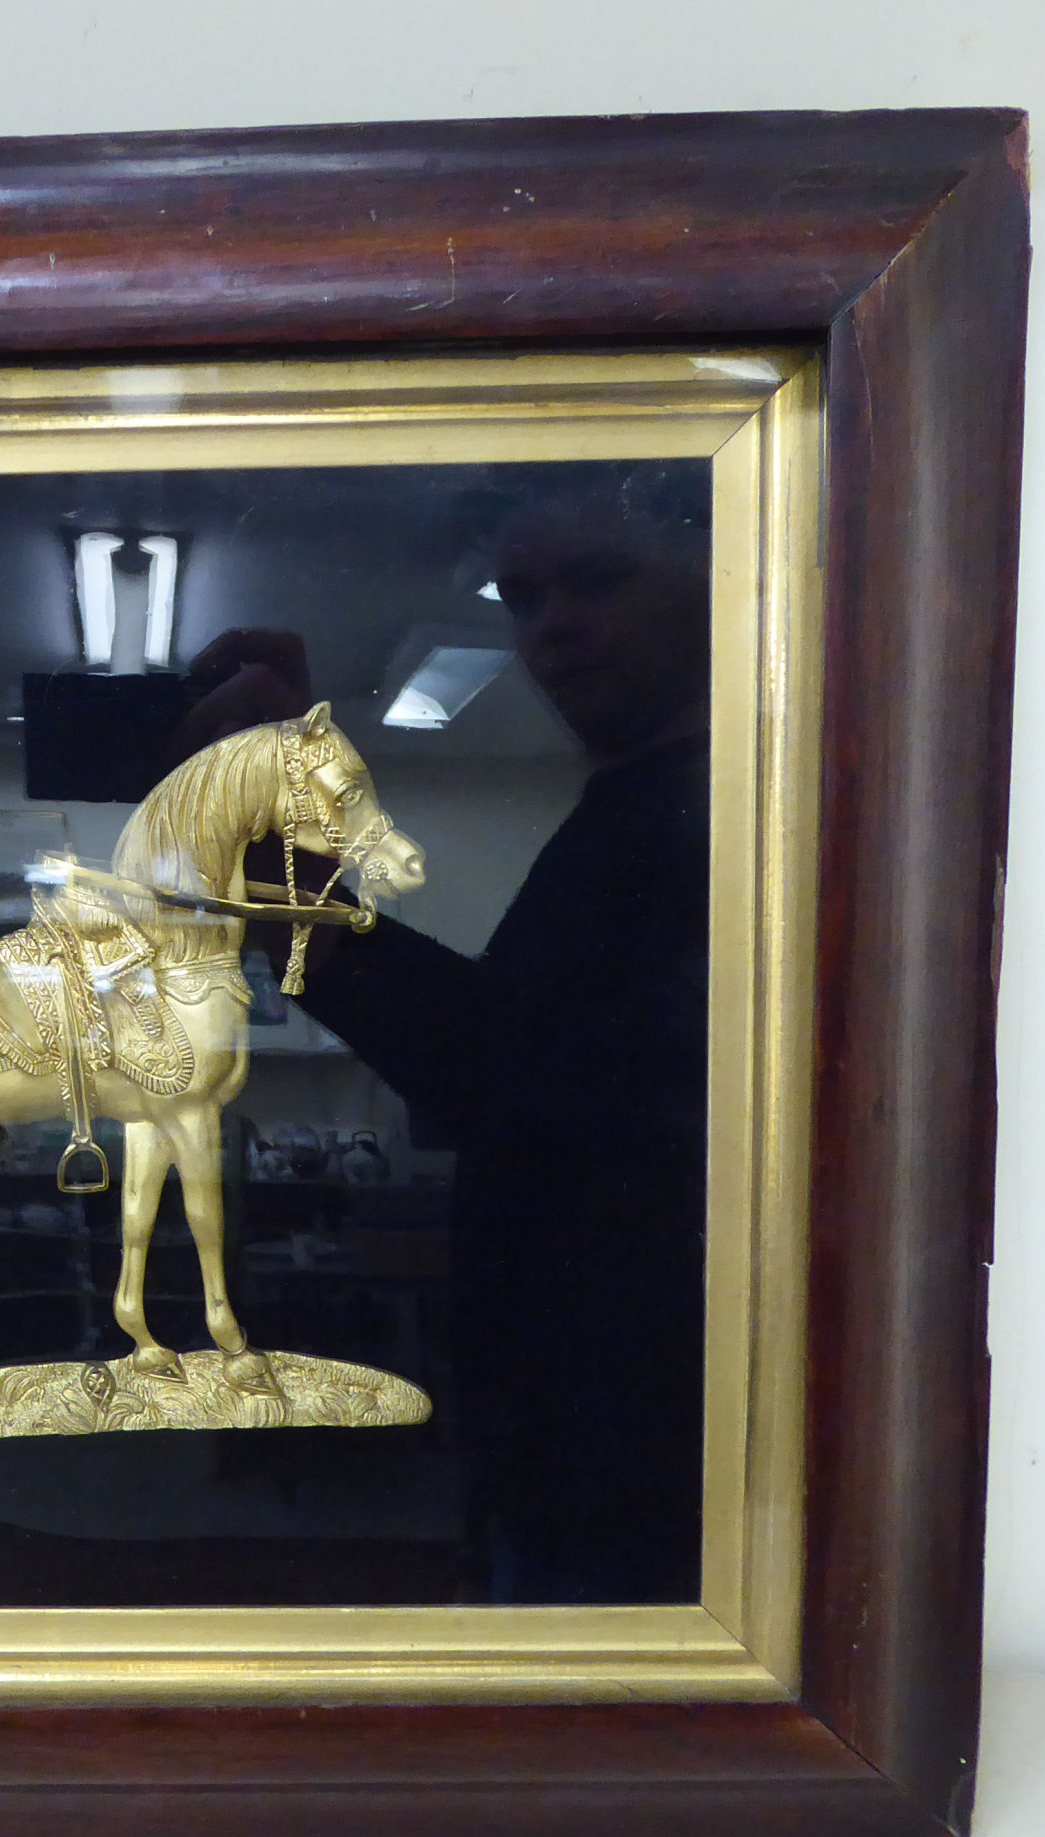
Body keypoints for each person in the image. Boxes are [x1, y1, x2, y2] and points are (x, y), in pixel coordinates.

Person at [201, 477, 712, 1603]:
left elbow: (506, 1078)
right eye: (522, 597)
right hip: (581, 1447)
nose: (552, 628)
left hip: (633, 1468)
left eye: (599, 580)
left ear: (732, 569)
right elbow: (531, 1064)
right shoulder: (646, 812)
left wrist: (272, 866)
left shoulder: (709, 818)